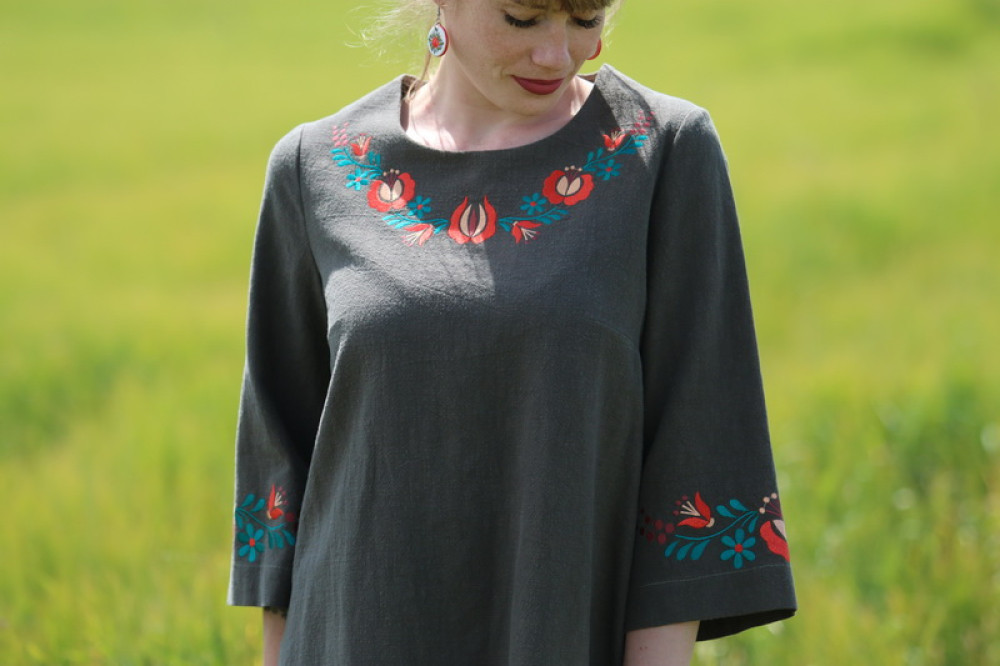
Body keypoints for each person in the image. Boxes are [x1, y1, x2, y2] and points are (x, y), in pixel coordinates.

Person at [228, 0, 797, 663]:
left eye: (586, 18)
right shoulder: (313, 167)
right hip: (353, 635)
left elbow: (696, 449)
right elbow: (279, 465)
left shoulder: (664, 151)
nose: (558, 54)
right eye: (523, 19)